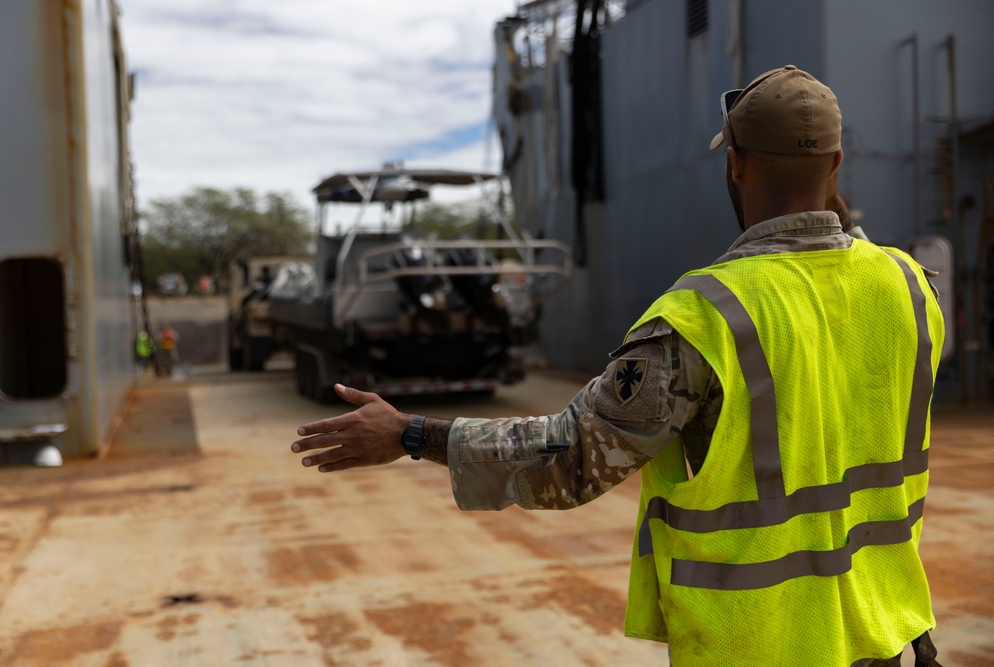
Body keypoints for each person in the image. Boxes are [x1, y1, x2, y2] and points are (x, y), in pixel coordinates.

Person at [290, 66, 945, 667]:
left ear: (736, 164)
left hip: (766, 644)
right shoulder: (913, 288)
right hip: (894, 634)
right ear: (836, 161)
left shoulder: (708, 315)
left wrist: (410, 434)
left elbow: (572, 458)